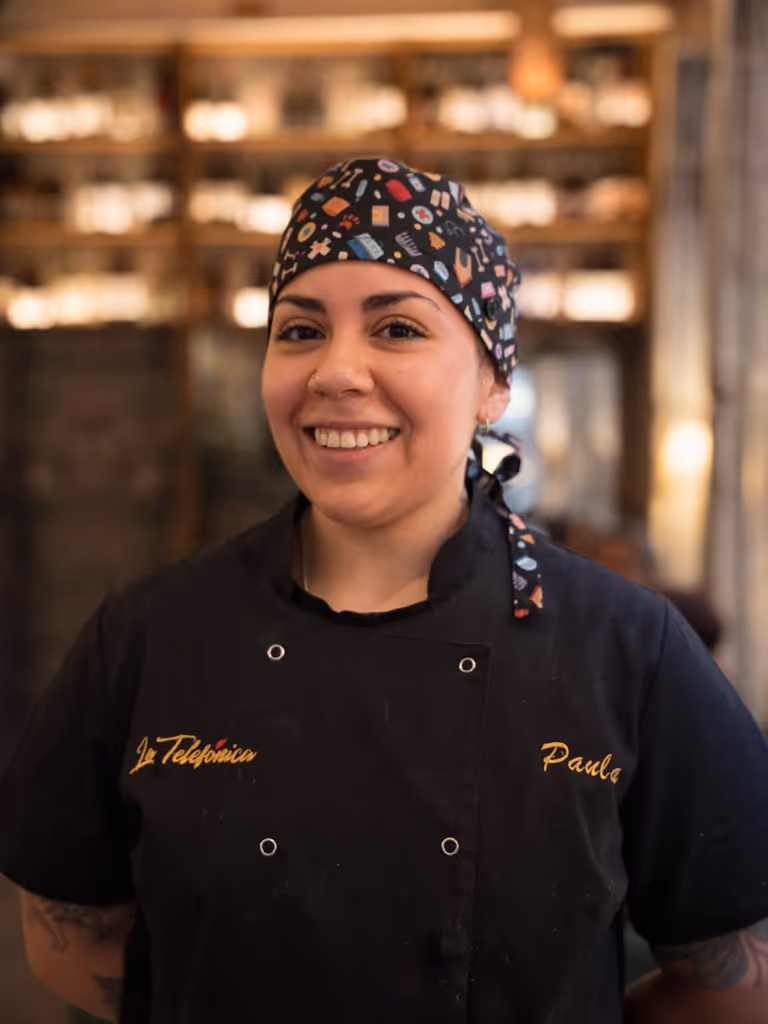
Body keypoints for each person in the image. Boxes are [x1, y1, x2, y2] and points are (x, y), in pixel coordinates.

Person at [1, 157, 768, 1024]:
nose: (336, 371)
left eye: (397, 329)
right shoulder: (145, 638)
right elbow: (66, 933)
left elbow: (729, 982)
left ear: (493, 383)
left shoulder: (631, 650)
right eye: (299, 331)